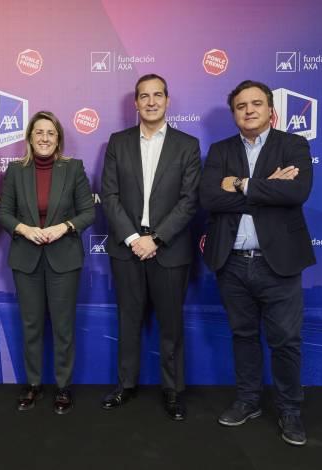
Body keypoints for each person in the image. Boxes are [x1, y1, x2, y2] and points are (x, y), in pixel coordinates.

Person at [199, 80, 315, 446]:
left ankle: (290, 410)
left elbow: (296, 191)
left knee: (286, 341)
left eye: (256, 104)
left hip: (278, 263)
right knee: (243, 336)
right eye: (241, 106)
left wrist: (241, 183)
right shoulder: (220, 150)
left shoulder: (292, 145)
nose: (248, 110)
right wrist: (267, 187)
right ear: (234, 113)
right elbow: (209, 199)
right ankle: (248, 401)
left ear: (270, 110)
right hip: (232, 263)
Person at [100, 74, 201, 420]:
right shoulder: (118, 142)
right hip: (127, 247)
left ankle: (173, 391)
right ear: (136, 103)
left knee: (171, 325)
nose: (151, 101)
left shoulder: (187, 145)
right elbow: (109, 195)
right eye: (144, 96)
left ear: (167, 100)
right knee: (128, 321)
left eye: (158, 95)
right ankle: (125, 385)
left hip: (169, 249)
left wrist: (155, 239)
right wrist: (133, 238)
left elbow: (189, 201)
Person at [0, 111, 94, 414]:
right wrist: (25, 229)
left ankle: (63, 387)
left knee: (63, 327)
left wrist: (63, 227)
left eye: (50, 133)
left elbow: (88, 212)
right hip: (26, 258)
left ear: (58, 139)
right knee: (31, 325)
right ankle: (33, 384)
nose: (44, 138)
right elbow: (4, 213)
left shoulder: (73, 168)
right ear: (29, 137)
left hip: (64, 258)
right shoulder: (16, 170)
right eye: (39, 132)